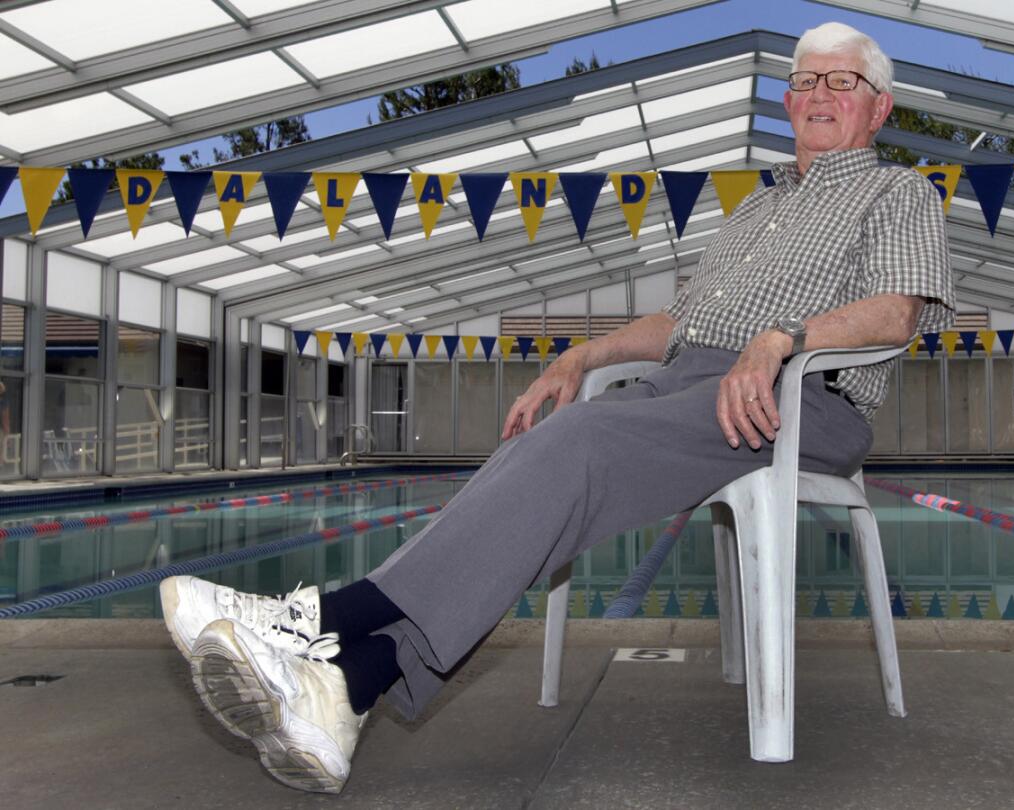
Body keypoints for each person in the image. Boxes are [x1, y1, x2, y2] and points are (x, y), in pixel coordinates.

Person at [161, 21, 959, 794]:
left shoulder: (896, 193)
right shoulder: (755, 210)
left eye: (841, 81)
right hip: (694, 383)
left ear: (878, 105)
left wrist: (784, 338)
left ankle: (314, 624)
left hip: (800, 398)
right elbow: (682, 325)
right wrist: (581, 355)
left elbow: (897, 314)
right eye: (805, 80)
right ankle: (344, 691)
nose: (820, 93)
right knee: (537, 462)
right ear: (786, 102)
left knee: (578, 442)